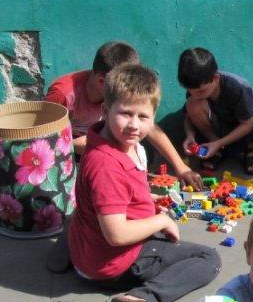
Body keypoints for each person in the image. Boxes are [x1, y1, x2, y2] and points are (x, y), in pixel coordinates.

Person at [68, 63, 222, 302]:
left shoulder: (108, 139)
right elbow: (116, 235)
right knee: (208, 258)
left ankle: (70, 252)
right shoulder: (107, 166)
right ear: (106, 109)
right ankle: (141, 297)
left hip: (87, 247)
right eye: (125, 114)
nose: (134, 125)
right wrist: (161, 220)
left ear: (153, 118)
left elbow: (116, 192)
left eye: (143, 117)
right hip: (112, 264)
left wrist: (144, 197)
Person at [44, 41, 204, 190]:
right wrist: (71, 145)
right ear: (102, 82)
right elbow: (43, 142)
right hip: (70, 153)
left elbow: (150, 128)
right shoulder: (63, 95)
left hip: (106, 141)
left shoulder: (116, 92)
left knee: (141, 152)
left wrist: (181, 167)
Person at [176, 47, 253, 175]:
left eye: (201, 91)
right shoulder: (196, 89)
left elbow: (247, 124)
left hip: (247, 130)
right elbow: (189, 117)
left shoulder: (235, 87)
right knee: (192, 103)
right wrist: (190, 136)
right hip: (219, 133)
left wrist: (219, 143)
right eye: (191, 91)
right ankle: (218, 149)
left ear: (216, 78)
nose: (196, 95)